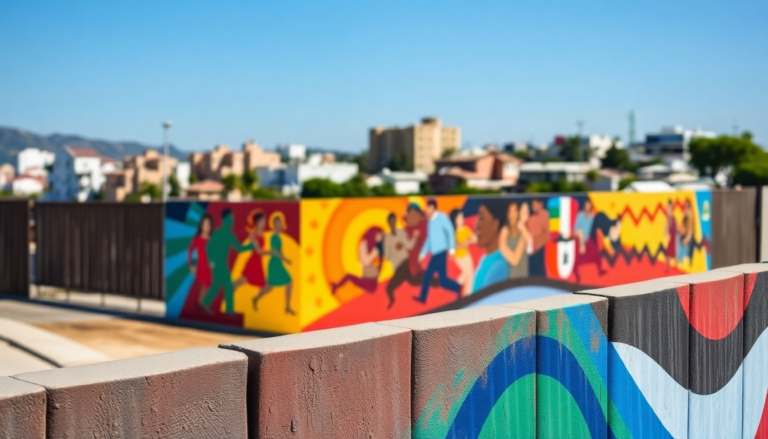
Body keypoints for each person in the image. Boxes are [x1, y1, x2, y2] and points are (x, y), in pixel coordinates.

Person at [200, 209, 253, 315]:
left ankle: (205, 302)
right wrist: (251, 246)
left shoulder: (220, 233)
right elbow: (239, 248)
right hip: (221, 265)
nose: (233, 221)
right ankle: (229, 310)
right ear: (226, 219)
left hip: (218, 265)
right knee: (228, 286)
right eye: (231, 218)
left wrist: (211, 261)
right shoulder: (226, 234)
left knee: (217, 285)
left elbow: (208, 247)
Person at [385, 203, 438, 304]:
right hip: (402, 266)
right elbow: (389, 255)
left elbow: (411, 245)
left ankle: (436, 282)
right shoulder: (402, 231)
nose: (412, 216)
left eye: (414, 213)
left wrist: (413, 238)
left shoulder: (421, 226)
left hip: (409, 264)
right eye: (410, 213)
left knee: (414, 279)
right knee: (394, 286)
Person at [415, 199, 461, 303]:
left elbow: (450, 231)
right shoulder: (430, 221)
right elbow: (429, 240)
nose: (426, 210)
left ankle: (423, 298)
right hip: (435, 253)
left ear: (432, 207)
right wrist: (422, 254)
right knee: (442, 280)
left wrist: (452, 250)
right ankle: (458, 287)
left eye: (427, 207)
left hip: (441, 252)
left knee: (428, 275)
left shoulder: (442, 218)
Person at [252, 212, 295, 315]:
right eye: (277, 223)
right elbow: (275, 252)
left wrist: (284, 259)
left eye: (280, 223)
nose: (279, 225)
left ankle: (287, 307)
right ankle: (256, 298)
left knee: (285, 283)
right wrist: (286, 260)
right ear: (274, 225)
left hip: (278, 263)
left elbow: (280, 251)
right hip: (274, 264)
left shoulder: (279, 236)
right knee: (270, 286)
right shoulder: (273, 237)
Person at [332, 226, 384, 295]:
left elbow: (379, 264)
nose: (380, 239)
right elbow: (366, 262)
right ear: (373, 234)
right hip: (367, 279)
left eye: (381, 237)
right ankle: (336, 286)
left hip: (373, 280)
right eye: (379, 236)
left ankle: (336, 286)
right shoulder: (363, 245)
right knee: (349, 277)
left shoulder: (376, 247)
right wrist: (374, 253)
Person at [472, 201, 509, 293]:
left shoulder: (500, 265)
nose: (476, 223)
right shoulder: (486, 261)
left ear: (495, 224)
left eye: (481, 218)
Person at [383, 213, 419, 308]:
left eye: (394, 221)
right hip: (397, 267)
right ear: (389, 223)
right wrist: (394, 248)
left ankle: (434, 281)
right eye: (391, 222)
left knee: (390, 288)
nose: (393, 223)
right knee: (412, 281)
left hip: (405, 263)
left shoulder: (401, 233)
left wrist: (414, 237)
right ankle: (433, 281)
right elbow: (387, 256)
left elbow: (410, 245)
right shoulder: (387, 238)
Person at [233, 209, 268, 290]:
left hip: (258, 263)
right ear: (258, 222)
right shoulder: (252, 234)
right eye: (263, 221)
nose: (264, 223)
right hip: (253, 263)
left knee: (263, 285)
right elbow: (258, 251)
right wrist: (272, 252)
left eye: (264, 221)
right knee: (239, 282)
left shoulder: (262, 235)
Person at [499, 202, 531, 279]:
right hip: (508, 281)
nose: (512, 214)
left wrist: (502, 244)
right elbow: (501, 248)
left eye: (515, 211)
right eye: (510, 211)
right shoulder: (504, 232)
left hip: (522, 281)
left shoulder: (524, 232)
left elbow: (515, 260)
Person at [188, 213, 213, 311]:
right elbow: (190, 251)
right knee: (205, 284)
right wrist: (191, 265)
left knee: (208, 285)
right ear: (201, 226)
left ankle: (201, 302)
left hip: (210, 266)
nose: (207, 227)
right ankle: (202, 303)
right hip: (202, 266)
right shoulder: (197, 239)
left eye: (208, 224)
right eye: (205, 224)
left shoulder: (212, 239)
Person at [450, 209, 476, 296]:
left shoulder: (466, 229)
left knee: (470, 274)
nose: (461, 220)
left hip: (466, 255)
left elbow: (475, 239)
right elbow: (459, 245)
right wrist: (468, 241)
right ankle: (455, 286)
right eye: (459, 218)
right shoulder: (454, 233)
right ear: (455, 220)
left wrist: (469, 241)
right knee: (466, 273)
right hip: (459, 257)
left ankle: (467, 294)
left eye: (462, 217)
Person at [526, 199, 550, 276]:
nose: (534, 206)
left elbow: (547, 234)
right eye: (533, 204)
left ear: (541, 204)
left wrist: (538, 246)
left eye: (535, 204)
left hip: (540, 251)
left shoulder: (544, 214)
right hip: (530, 251)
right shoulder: (530, 218)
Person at [679, 200, 695, 266]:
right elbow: (682, 230)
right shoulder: (685, 218)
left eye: (688, 208)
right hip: (685, 238)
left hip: (689, 239)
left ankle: (688, 259)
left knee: (690, 242)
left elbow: (690, 233)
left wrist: (686, 240)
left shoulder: (690, 219)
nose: (686, 210)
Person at [664, 199, 677, 272]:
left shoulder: (671, 216)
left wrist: (666, 231)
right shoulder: (670, 216)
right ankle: (668, 267)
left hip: (673, 235)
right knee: (669, 252)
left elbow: (670, 223)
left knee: (670, 252)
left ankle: (669, 267)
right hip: (672, 235)